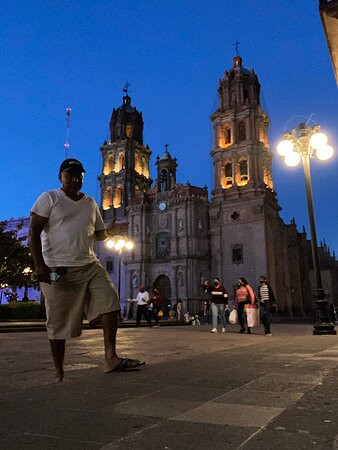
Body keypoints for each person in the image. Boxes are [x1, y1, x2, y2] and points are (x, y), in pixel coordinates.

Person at [29, 158, 145, 381]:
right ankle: (59, 371)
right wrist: (39, 264)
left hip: (89, 265)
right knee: (58, 323)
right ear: (60, 177)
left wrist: (114, 229)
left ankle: (110, 357)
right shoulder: (49, 198)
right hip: (57, 268)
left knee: (110, 302)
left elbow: (100, 235)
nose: (75, 180)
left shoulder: (91, 203)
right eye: (69, 175)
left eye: (79, 176)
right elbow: (33, 232)